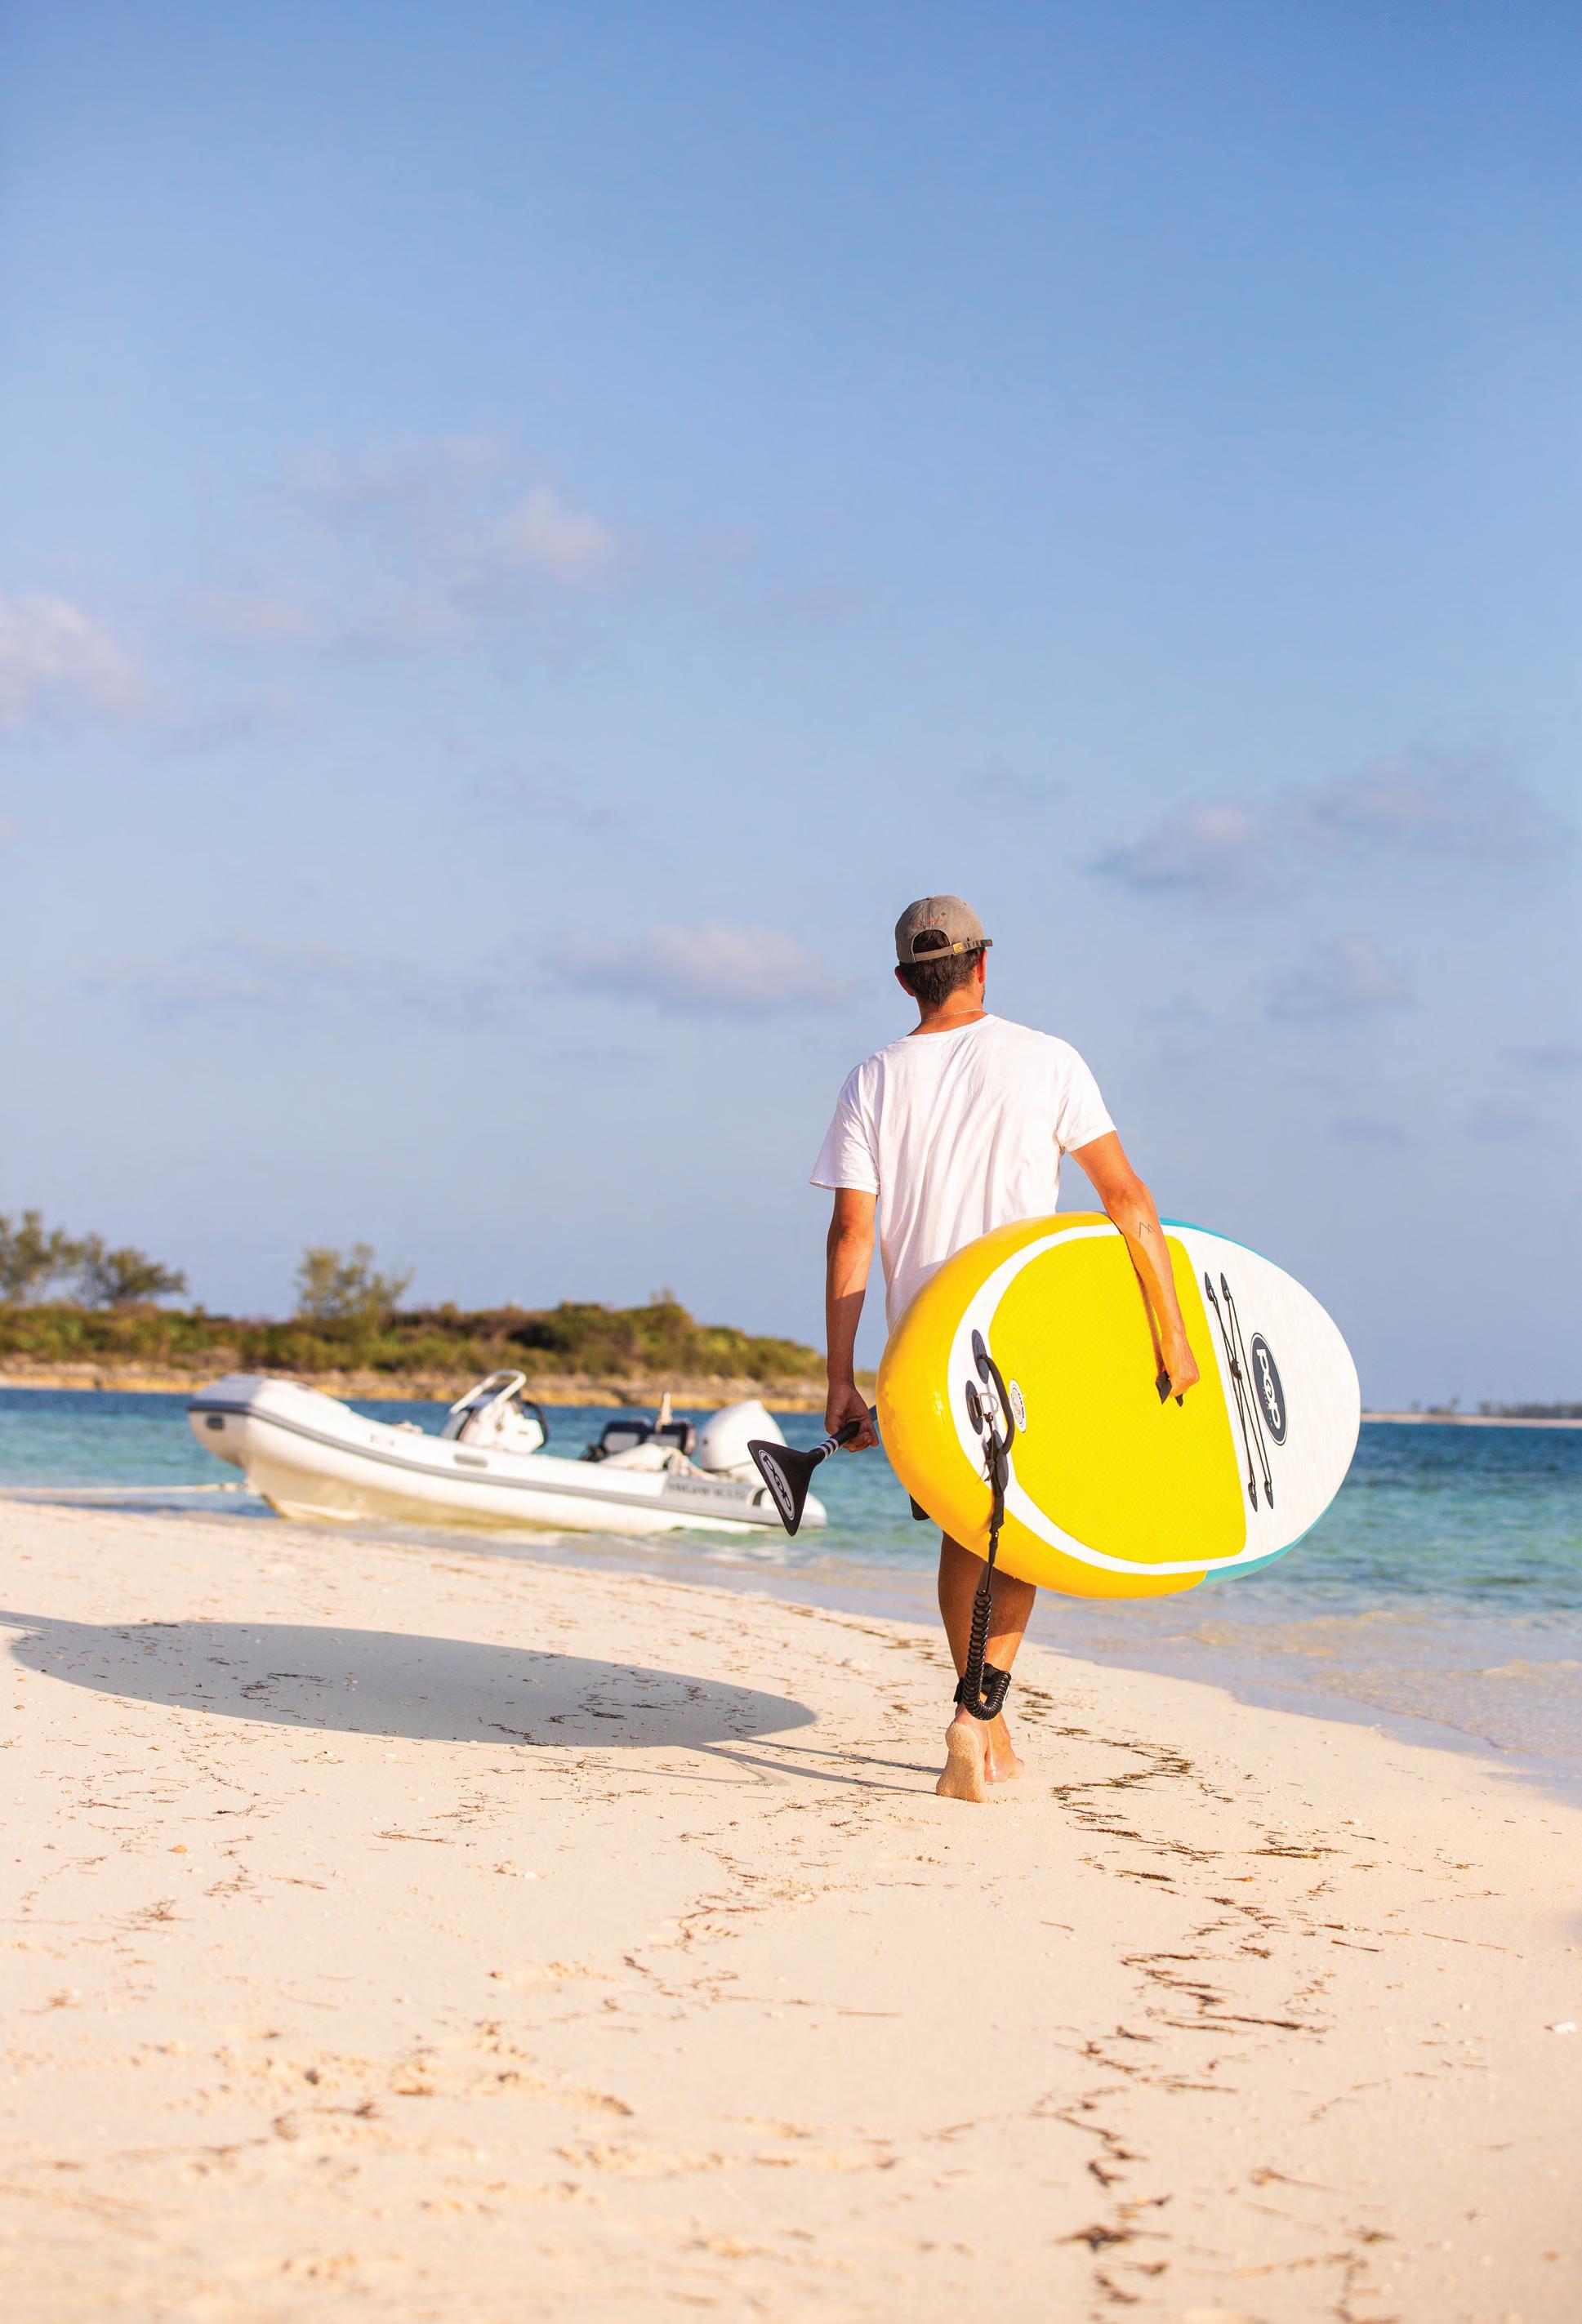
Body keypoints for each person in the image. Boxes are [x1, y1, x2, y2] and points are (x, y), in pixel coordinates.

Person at [812, 896, 1201, 1805]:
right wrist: (1170, 1331)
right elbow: (1125, 1198)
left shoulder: (871, 1079)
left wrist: (840, 1377)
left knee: (965, 1525)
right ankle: (974, 1714)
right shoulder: (1047, 1058)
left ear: (904, 980)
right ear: (983, 964)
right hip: (1022, 1330)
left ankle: (987, 1727)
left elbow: (849, 1233)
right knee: (1012, 1533)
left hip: (922, 1345)